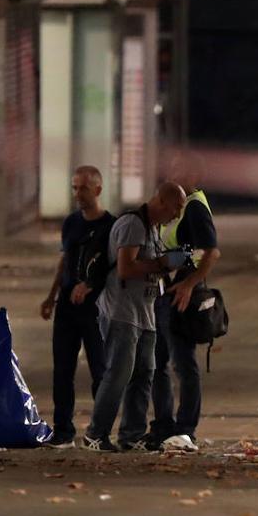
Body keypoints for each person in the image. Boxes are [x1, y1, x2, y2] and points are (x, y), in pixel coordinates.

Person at [82, 182, 188, 452]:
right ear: (162, 201)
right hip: (121, 312)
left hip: (145, 313)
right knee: (119, 374)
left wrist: (170, 265)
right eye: (176, 208)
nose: (176, 215)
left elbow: (150, 267)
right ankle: (96, 434)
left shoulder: (152, 229)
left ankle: (131, 436)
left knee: (144, 374)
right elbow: (126, 269)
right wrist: (162, 264)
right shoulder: (133, 224)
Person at [147, 159, 221, 453]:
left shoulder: (194, 206)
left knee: (183, 364)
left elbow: (210, 252)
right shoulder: (181, 205)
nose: (171, 174)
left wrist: (190, 284)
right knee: (158, 363)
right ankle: (163, 427)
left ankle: (185, 428)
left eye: (179, 170)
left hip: (182, 295)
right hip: (167, 292)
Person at [39, 166, 114, 448]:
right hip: (68, 307)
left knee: (100, 370)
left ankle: (99, 431)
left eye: (83, 188)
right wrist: (51, 296)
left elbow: (115, 267)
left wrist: (91, 285)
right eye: (74, 188)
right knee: (62, 370)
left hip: (97, 309)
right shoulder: (71, 223)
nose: (78, 194)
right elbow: (65, 260)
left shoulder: (111, 225)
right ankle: (63, 430)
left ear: (98, 189)